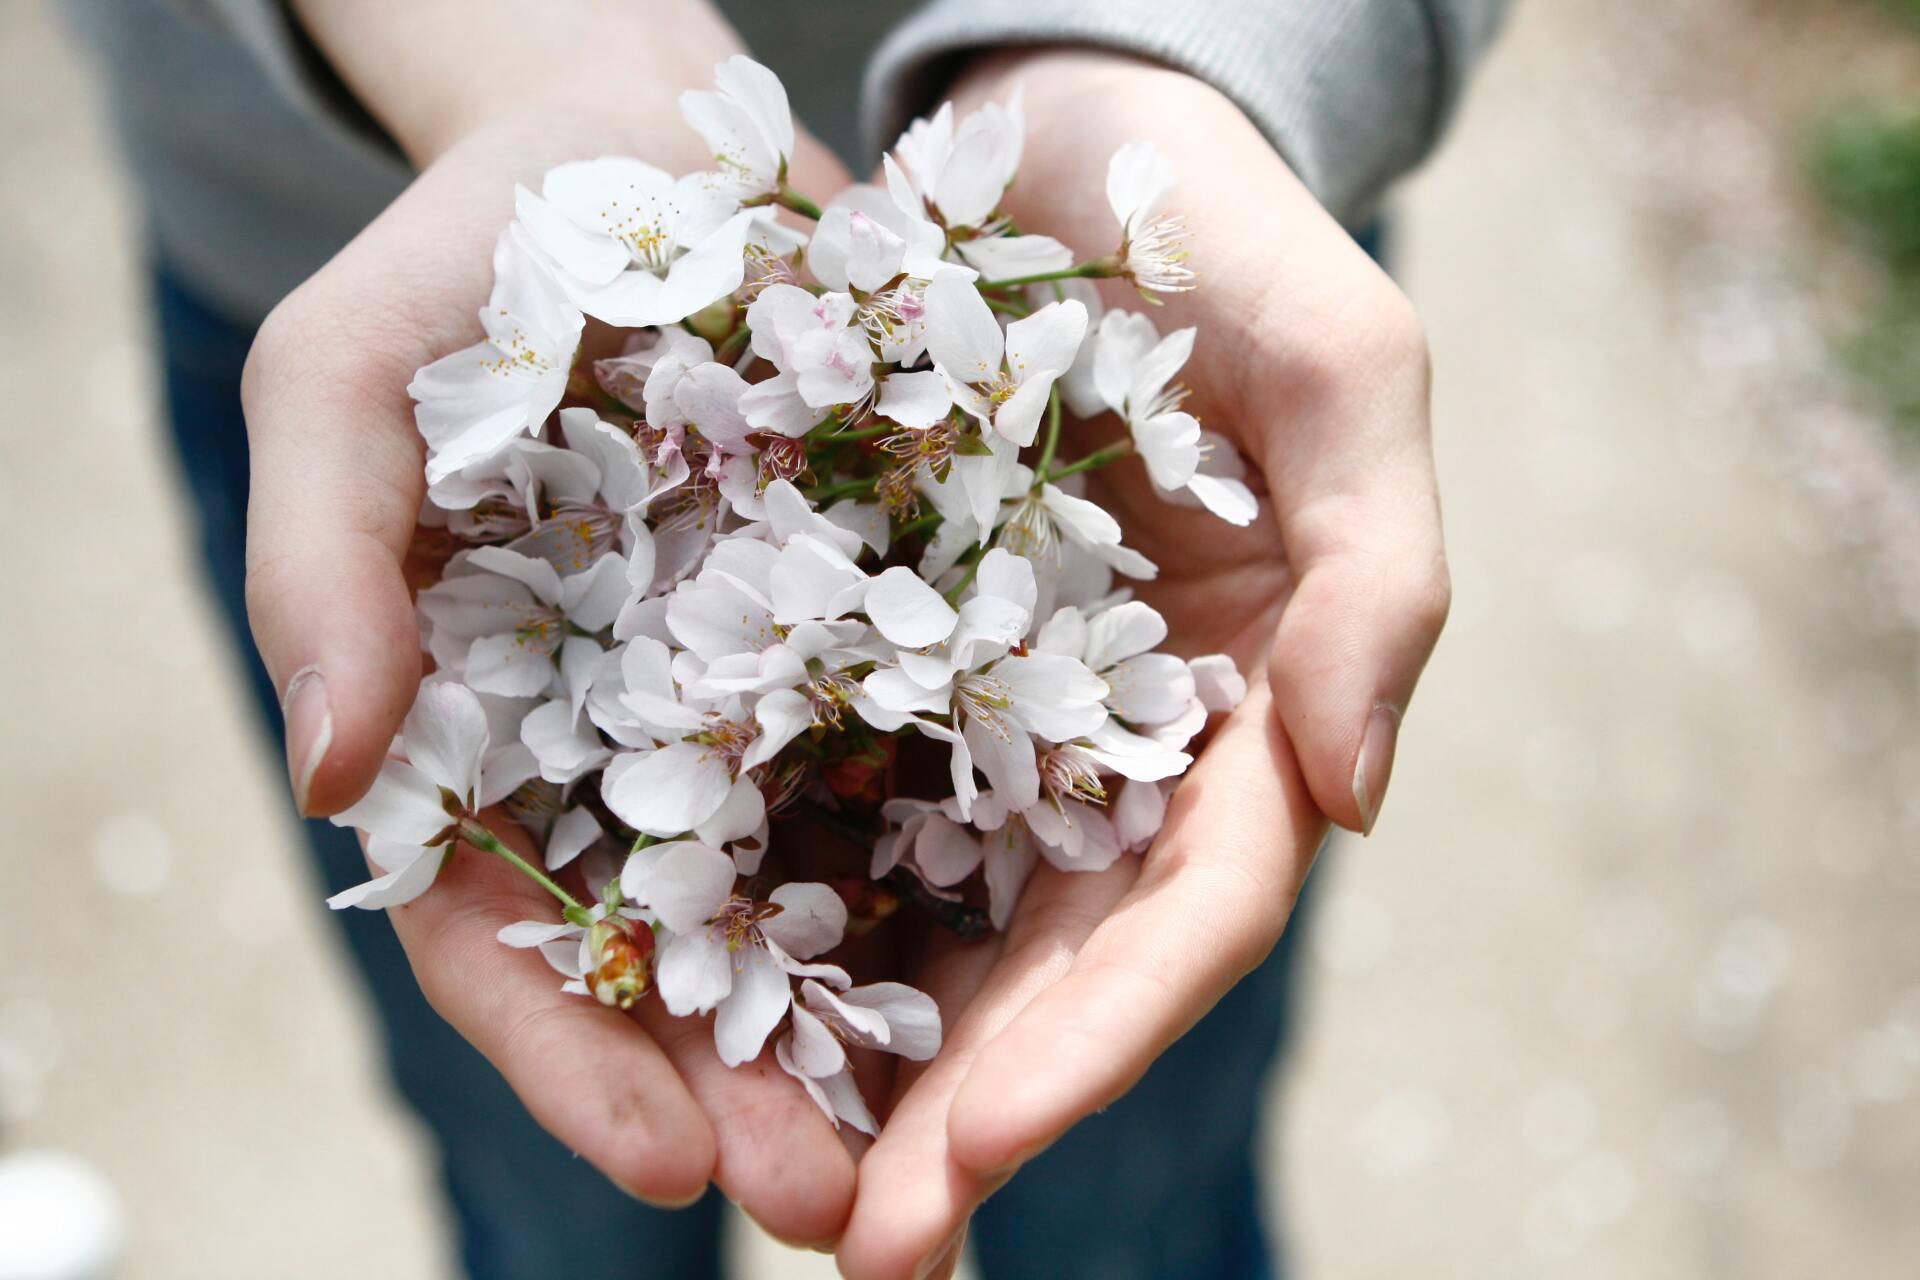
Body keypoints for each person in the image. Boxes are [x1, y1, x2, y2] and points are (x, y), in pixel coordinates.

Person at [63, 2, 1503, 1276]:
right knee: (560, 1213)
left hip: (1162, 151)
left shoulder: (1052, 383)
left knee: (1133, 1210)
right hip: (322, 236)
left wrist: (1198, 59)